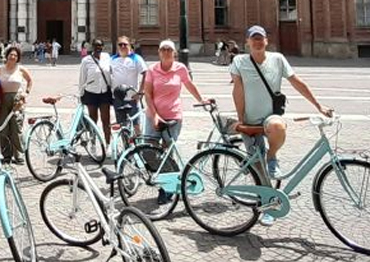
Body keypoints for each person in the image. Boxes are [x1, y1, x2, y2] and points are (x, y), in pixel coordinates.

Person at [229, 25, 332, 226]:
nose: (258, 41)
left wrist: (319, 105)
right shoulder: (239, 61)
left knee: (278, 127)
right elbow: (238, 91)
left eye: (261, 38)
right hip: (250, 120)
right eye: (254, 38)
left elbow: (297, 82)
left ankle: (272, 155)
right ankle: (269, 206)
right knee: (259, 170)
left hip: (270, 117)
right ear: (248, 42)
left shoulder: (278, 59)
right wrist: (241, 121)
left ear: (267, 41)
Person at [142, 39, 208, 204]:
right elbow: (147, 94)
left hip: (173, 116)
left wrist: (201, 99)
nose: (166, 52)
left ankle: (166, 188)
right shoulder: (152, 70)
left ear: (174, 53)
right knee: (149, 150)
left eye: (169, 50)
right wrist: (155, 115)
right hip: (153, 116)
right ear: (159, 52)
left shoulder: (180, 69)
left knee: (167, 153)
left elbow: (189, 85)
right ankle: (167, 182)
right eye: (163, 49)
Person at [0, 45, 32, 164]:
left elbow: (30, 81)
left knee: (16, 128)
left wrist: (26, 93)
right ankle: (6, 155)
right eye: (11, 55)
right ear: (6, 56)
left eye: (15, 55)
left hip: (17, 99)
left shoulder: (21, 69)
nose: (13, 57)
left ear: (18, 58)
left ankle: (18, 155)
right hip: (2, 100)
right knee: (3, 128)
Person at [78, 38, 114, 143]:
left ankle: (108, 144)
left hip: (104, 92)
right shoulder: (86, 60)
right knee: (93, 120)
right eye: (95, 45)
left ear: (103, 47)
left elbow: (112, 73)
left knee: (106, 120)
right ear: (92, 47)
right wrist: (81, 94)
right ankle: (93, 142)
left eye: (100, 45)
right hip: (91, 93)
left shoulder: (107, 57)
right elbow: (82, 78)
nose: (98, 48)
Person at [110, 36, 147, 136]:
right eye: (120, 44)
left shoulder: (136, 58)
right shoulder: (112, 59)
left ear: (130, 46)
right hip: (117, 98)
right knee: (122, 125)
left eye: (125, 44)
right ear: (117, 46)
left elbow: (146, 74)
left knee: (136, 124)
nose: (122, 46)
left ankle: (139, 147)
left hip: (132, 98)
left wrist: (140, 92)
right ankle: (126, 148)